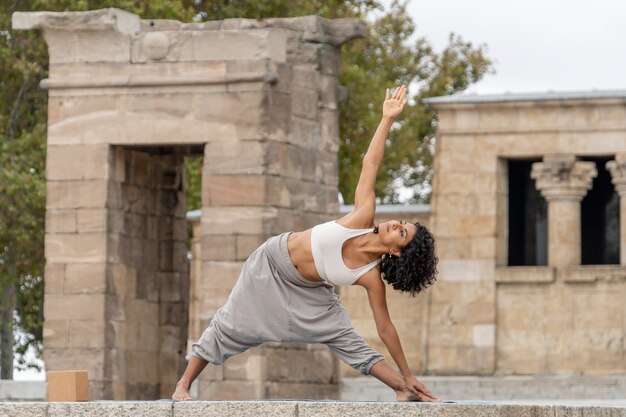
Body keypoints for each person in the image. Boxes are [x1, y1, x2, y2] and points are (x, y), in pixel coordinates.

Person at [172, 85, 439, 402]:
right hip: (272, 263)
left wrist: (408, 373)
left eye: (402, 233)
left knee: (344, 337)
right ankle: (183, 386)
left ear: (396, 251)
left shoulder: (370, 277)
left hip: (311, 290)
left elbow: (386, 329)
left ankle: (402, 389)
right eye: (401, 223)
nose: (396, 224)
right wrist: (387, 119)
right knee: (230, 324)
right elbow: (371, 164)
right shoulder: (362, 216)